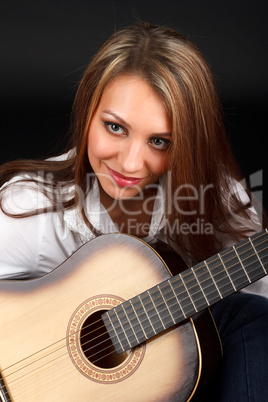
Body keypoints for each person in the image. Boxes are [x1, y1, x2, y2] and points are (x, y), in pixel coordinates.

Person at [0, 22, 267, 401]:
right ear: (87, 112)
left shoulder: (218, 201)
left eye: (160, 141)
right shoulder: (30, 204)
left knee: (251, 313)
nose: (129, 162)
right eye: (115, 127)